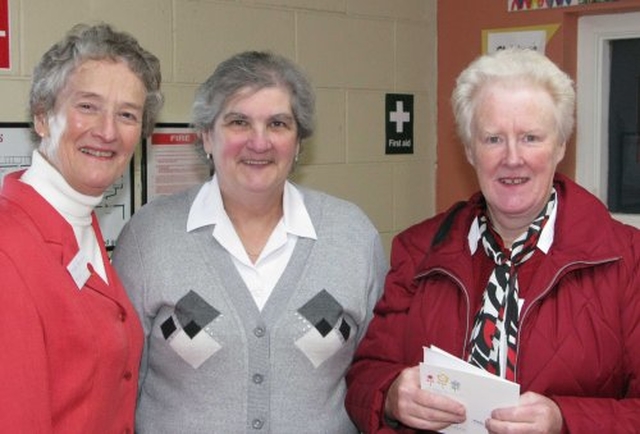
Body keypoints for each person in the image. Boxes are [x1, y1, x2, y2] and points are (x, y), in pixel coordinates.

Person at [345, 48, 640, 433]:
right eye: (493, 138)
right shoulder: (419, 251)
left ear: (561, 146)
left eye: (531, 137)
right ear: (470, 149)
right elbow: (364, 374)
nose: (512, 158)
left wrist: (564, 422)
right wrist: (389, 395)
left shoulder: (626, 259)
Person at [112, 50, 387, 433]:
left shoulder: (351, 236)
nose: (259, 143)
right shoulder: (150, 238)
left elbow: (374, 375)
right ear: (207, 135)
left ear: (299, 142)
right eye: (239, 122)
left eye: (278, 124)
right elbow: (119, 388)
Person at [0, 23, 163, 432]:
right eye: (87, 106)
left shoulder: (80, 225)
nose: (107, 131)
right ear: (42, 116)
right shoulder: (8, 248)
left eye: (127, 114)